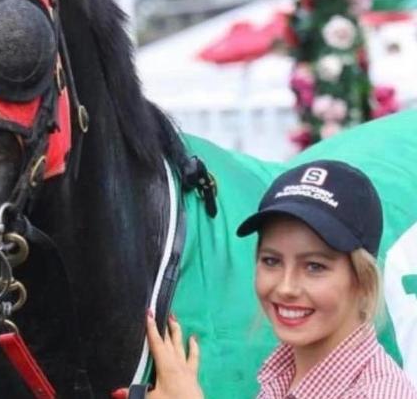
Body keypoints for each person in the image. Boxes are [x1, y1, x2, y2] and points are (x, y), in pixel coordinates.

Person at [113, 160, 417, 398]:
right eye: (271, 261)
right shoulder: (284, 373)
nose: (285, 287)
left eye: (314, 267)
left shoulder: (377, 393)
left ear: (363, 281)